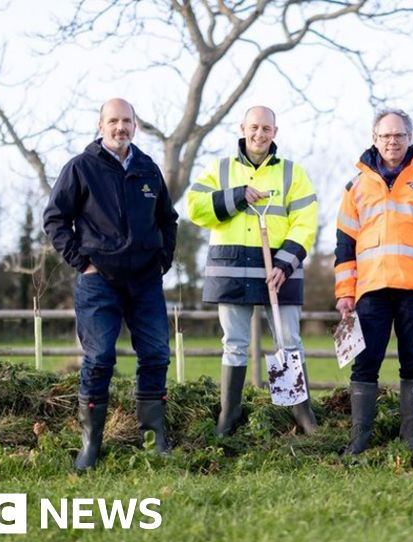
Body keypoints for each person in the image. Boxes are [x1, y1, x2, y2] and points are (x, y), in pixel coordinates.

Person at [43, 98, 178, 471]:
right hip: (98, 281)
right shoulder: (81, 168)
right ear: (101, 125)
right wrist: (81, 262)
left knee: (156, 355)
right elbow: (55, 219)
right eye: (113, 121)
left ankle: (153, 437)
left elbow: (168, 220)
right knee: (100, 358)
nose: (121, 127)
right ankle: (91, 444)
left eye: (127, 121)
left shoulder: (148, 169)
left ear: (136, 126)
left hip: (146, 281)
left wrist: (162, 260)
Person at [187, 106, 319, 436]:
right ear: (242, 128)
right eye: (254, 127)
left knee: (289, 342)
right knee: (234, 343)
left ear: (275, 132)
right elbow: (195, 208)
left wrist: (285, 264)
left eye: (266, 128)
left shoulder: (293, 173)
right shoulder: (219, 169)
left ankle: (298, 412)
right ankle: (228, 415)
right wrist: (237, 196)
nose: (259, 134)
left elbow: (306, 222)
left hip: (278, 270)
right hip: (232, 268)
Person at [335, 109, 413, 455]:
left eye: (399, 135)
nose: (393, 141)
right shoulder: (356, 187)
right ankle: (359, 439)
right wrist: (345, 291)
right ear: (374, 139)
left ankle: (411, 438)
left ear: (409, 138)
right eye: (386, 135)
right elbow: (344, 244)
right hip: (370, 291)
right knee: (365, 362)